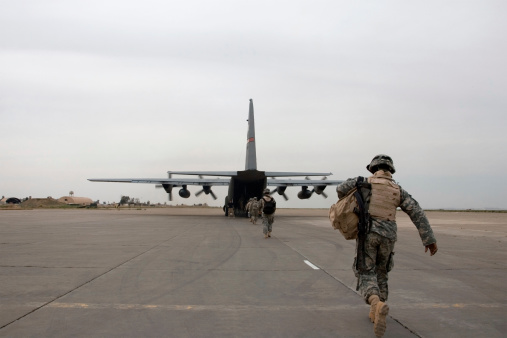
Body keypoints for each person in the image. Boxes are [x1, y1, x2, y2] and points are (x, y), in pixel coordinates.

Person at [336, 154, 438, 338]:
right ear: (391, 170)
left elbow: (340, 189)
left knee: (366, 272)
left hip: (368, 233)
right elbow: (416, 211)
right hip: (389, 236)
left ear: (373, 168)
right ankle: (377, 311)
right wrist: (429, 239)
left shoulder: (362, 182)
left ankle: (376, 303)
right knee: (382, 272)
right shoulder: (397, 189)